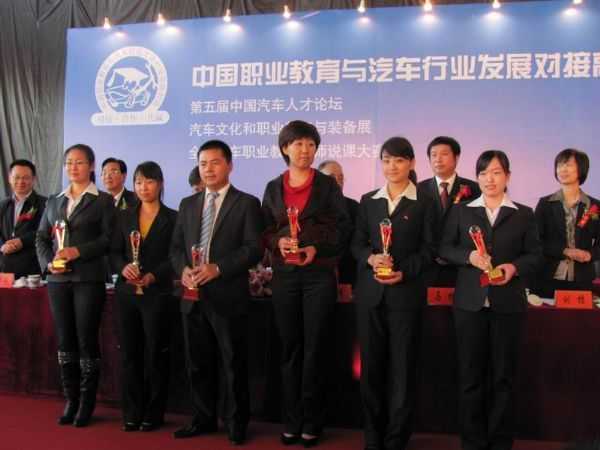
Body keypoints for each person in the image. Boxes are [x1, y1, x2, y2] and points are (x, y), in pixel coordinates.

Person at [440, 150, 542, 450]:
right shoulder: (462, 211)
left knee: (503, 378)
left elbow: (535, 256)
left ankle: (500, 442)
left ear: (507, 176)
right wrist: (468, 256)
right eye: (483, 173)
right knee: (470, 377)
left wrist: (514, 267)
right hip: (469, 305)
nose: (489, 179)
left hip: (507, 305)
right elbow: (444, 248)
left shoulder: (523, 214)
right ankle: (472, 442)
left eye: (496, 172)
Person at [262, 120, 351, 447]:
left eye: (311, 144)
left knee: (316, 348)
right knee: (290, 348)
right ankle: (292, 419)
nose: (305, 150)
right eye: (298, 144)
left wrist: (316, 248)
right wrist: (279, 242)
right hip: (285, 276)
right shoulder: (273, 187)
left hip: (318, 275)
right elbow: (265, 230)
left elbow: (342, 227)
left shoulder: (327, 185)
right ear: (285, 148)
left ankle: (313, 421)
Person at [170, 140, 262, 445]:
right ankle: (202, 418)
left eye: (215, 162)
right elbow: (175, 248)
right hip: (192, 296)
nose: (208, 169)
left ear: (229, 165)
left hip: (228, 296)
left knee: (233, 363)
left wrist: (218, 268)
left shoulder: (246, 203)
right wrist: (184, 269)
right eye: (203, 163)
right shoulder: (187, 204)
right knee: (197, 363)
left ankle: (236, 423)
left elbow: (253, 248)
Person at [352, 137, 435, 450]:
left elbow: (430, 249)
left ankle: (397, 438)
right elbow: (357, 244)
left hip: (406, 296)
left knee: (403, 369)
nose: (392, 167)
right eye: (386, 160)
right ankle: (373, 437)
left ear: (411, 163)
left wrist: (404, 270)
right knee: (370, 369)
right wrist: (371, 258)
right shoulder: (369, 200)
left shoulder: (425, 202)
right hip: (371, 296)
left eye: (399, 160)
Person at [36, 144, 115, 427]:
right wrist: (48, 263)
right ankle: (70, 399)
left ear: (91, 166)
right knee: (65, 340)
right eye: (69, 162)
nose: (73, 167)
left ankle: (87, 403)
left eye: (79, 162)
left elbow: (109, 240)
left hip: (87, 279)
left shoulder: (103, 201)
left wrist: (78, 251)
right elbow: (41, 238)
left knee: (86, 340)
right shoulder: (54, 201)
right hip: (57, 280)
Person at [110, 161, 177, 432]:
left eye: (149, 182)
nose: (143, 187)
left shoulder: (173, 218)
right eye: (138, 182)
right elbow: (114, 252)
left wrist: (154, 275)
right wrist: (123, 268)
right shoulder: (124, 216)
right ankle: (132, 411)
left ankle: (154, 412)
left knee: (155, 353)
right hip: (127, 294)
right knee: (129, 353)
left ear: (160, 184)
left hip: (157, 294)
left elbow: (176, 256)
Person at [534, 149, 600, 297]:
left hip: (582, 279)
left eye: (568, 165)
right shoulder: (545, 204)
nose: (562, 169)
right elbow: (535, 241)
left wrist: (589, 255)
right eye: (559, 165)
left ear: (581, 168)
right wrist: (564, 251)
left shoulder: (595, 207)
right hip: (547, 277)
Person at [417, 136, 480, 287]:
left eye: (444, 154)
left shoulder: (475, 189)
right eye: (433, 155)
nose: (438, 159)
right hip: (426, 268)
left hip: (463, 267)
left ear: (456, 158)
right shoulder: (417, 190)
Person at [0, 159, 47, 277]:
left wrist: (22, 241)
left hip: (33, 270)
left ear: (33, 179)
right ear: (9, 178)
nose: (21, 181)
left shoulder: (45, 204)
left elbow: (46, 232)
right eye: (16, 177)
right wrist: (2, 246)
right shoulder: (3, 205)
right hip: (5, 269)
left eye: (26, 178)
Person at [318, 159, 359, 287]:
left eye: (340, 178)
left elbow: (358, 244)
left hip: (349, 276)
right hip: (317, 277)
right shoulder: (311, 209)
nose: (337, 182)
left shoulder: (354, 207)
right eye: (331, 177)